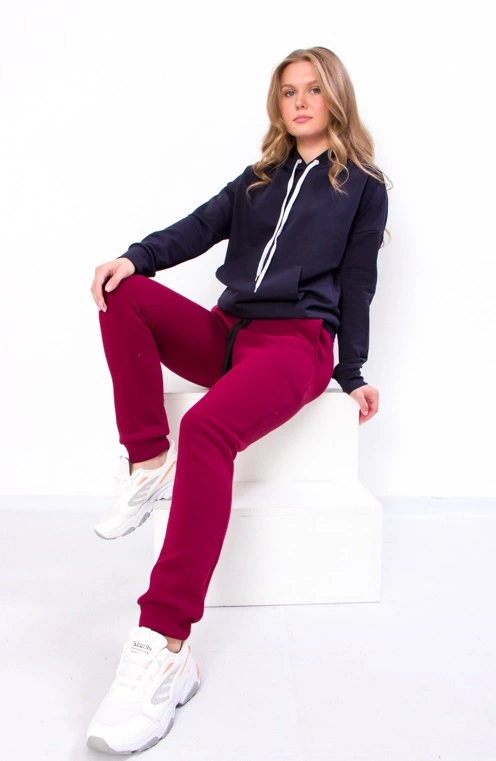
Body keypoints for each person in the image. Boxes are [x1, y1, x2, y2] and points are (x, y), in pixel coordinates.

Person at [86, 46, 389, 755]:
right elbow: (197, 227)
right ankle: (146, 460)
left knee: (207, 428)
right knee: (121, 291)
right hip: (230, 331)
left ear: (336, 98)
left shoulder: (363, 186)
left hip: (297, 342)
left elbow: (358, 281)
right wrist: (135, 255)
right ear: (277, 104)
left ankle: (166, 644)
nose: (300, 102)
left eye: (313, 89)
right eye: (288, 91)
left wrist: (352, 370)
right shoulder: (257, 179)